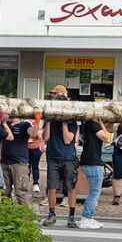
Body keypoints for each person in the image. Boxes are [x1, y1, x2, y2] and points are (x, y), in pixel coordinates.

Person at [42, 86, 80, 228]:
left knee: (71, 187)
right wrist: (50, 122)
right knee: (51, 187)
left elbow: (67, 140)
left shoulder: (72, 121)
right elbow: (45, 137)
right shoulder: (50, 119)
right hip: (53, 156)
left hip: (68, 157)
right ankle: (51, 214)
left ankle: (71, 215)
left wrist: (64, 122)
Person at [0, 111, 40, 206]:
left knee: (21, 193)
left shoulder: (24, 125)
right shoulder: (4, 124)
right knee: (5, 193)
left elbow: (34, 133)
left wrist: (37, 121)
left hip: (19, 163)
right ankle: (7, 216)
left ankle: (25, 218)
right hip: (5, 162)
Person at [78, 118, 112, 229]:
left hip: (87, 161)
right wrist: (102, 124)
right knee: (94, 192)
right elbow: (107, 138)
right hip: (93, 162)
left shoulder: (86, 125)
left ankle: (89, 217)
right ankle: (86, 218)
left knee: (93, 192)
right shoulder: (94, 125)